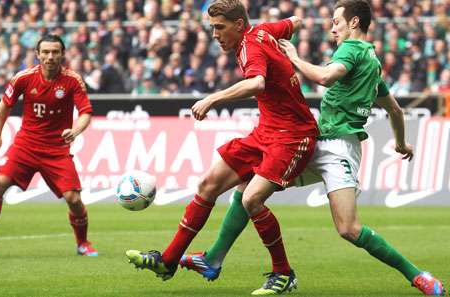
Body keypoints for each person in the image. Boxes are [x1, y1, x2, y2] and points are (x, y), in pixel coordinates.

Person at [178, 1, 446, 296]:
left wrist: (293, 56)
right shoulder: (372, 63)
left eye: (337, 22)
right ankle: (214, 258)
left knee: (348, 228)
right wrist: (400, 142)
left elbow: (323, 77)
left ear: (354, 22)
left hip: (339, 151)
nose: (333, 29)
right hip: (317, 142)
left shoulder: (350, 50)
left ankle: (418, 275)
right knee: (248, 186)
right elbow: (394, 110)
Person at [125, 0, 318, 295]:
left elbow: (256, 84)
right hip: (265, 131)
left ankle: (284, 273)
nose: (215, 34)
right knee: (208, 184)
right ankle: (167, 260)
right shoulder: (263, 31)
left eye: (220, 27)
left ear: (239, 25)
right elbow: (296, 21)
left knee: (251, 200)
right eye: (212, 27)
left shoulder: (250, 46)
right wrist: (290, 33)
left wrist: (213, 98)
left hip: (293, 136)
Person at [0, 35, 98, 258]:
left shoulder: (73, 80)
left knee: (74, 199)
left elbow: (86, 112)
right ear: (38, 55)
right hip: (26, 145)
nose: (50, 57)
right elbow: (4, 105)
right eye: (45, 52)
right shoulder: (23, 78)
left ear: (62, 54)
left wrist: (75, 131)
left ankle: (83, 243)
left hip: (56, 150)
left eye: (55, 52)